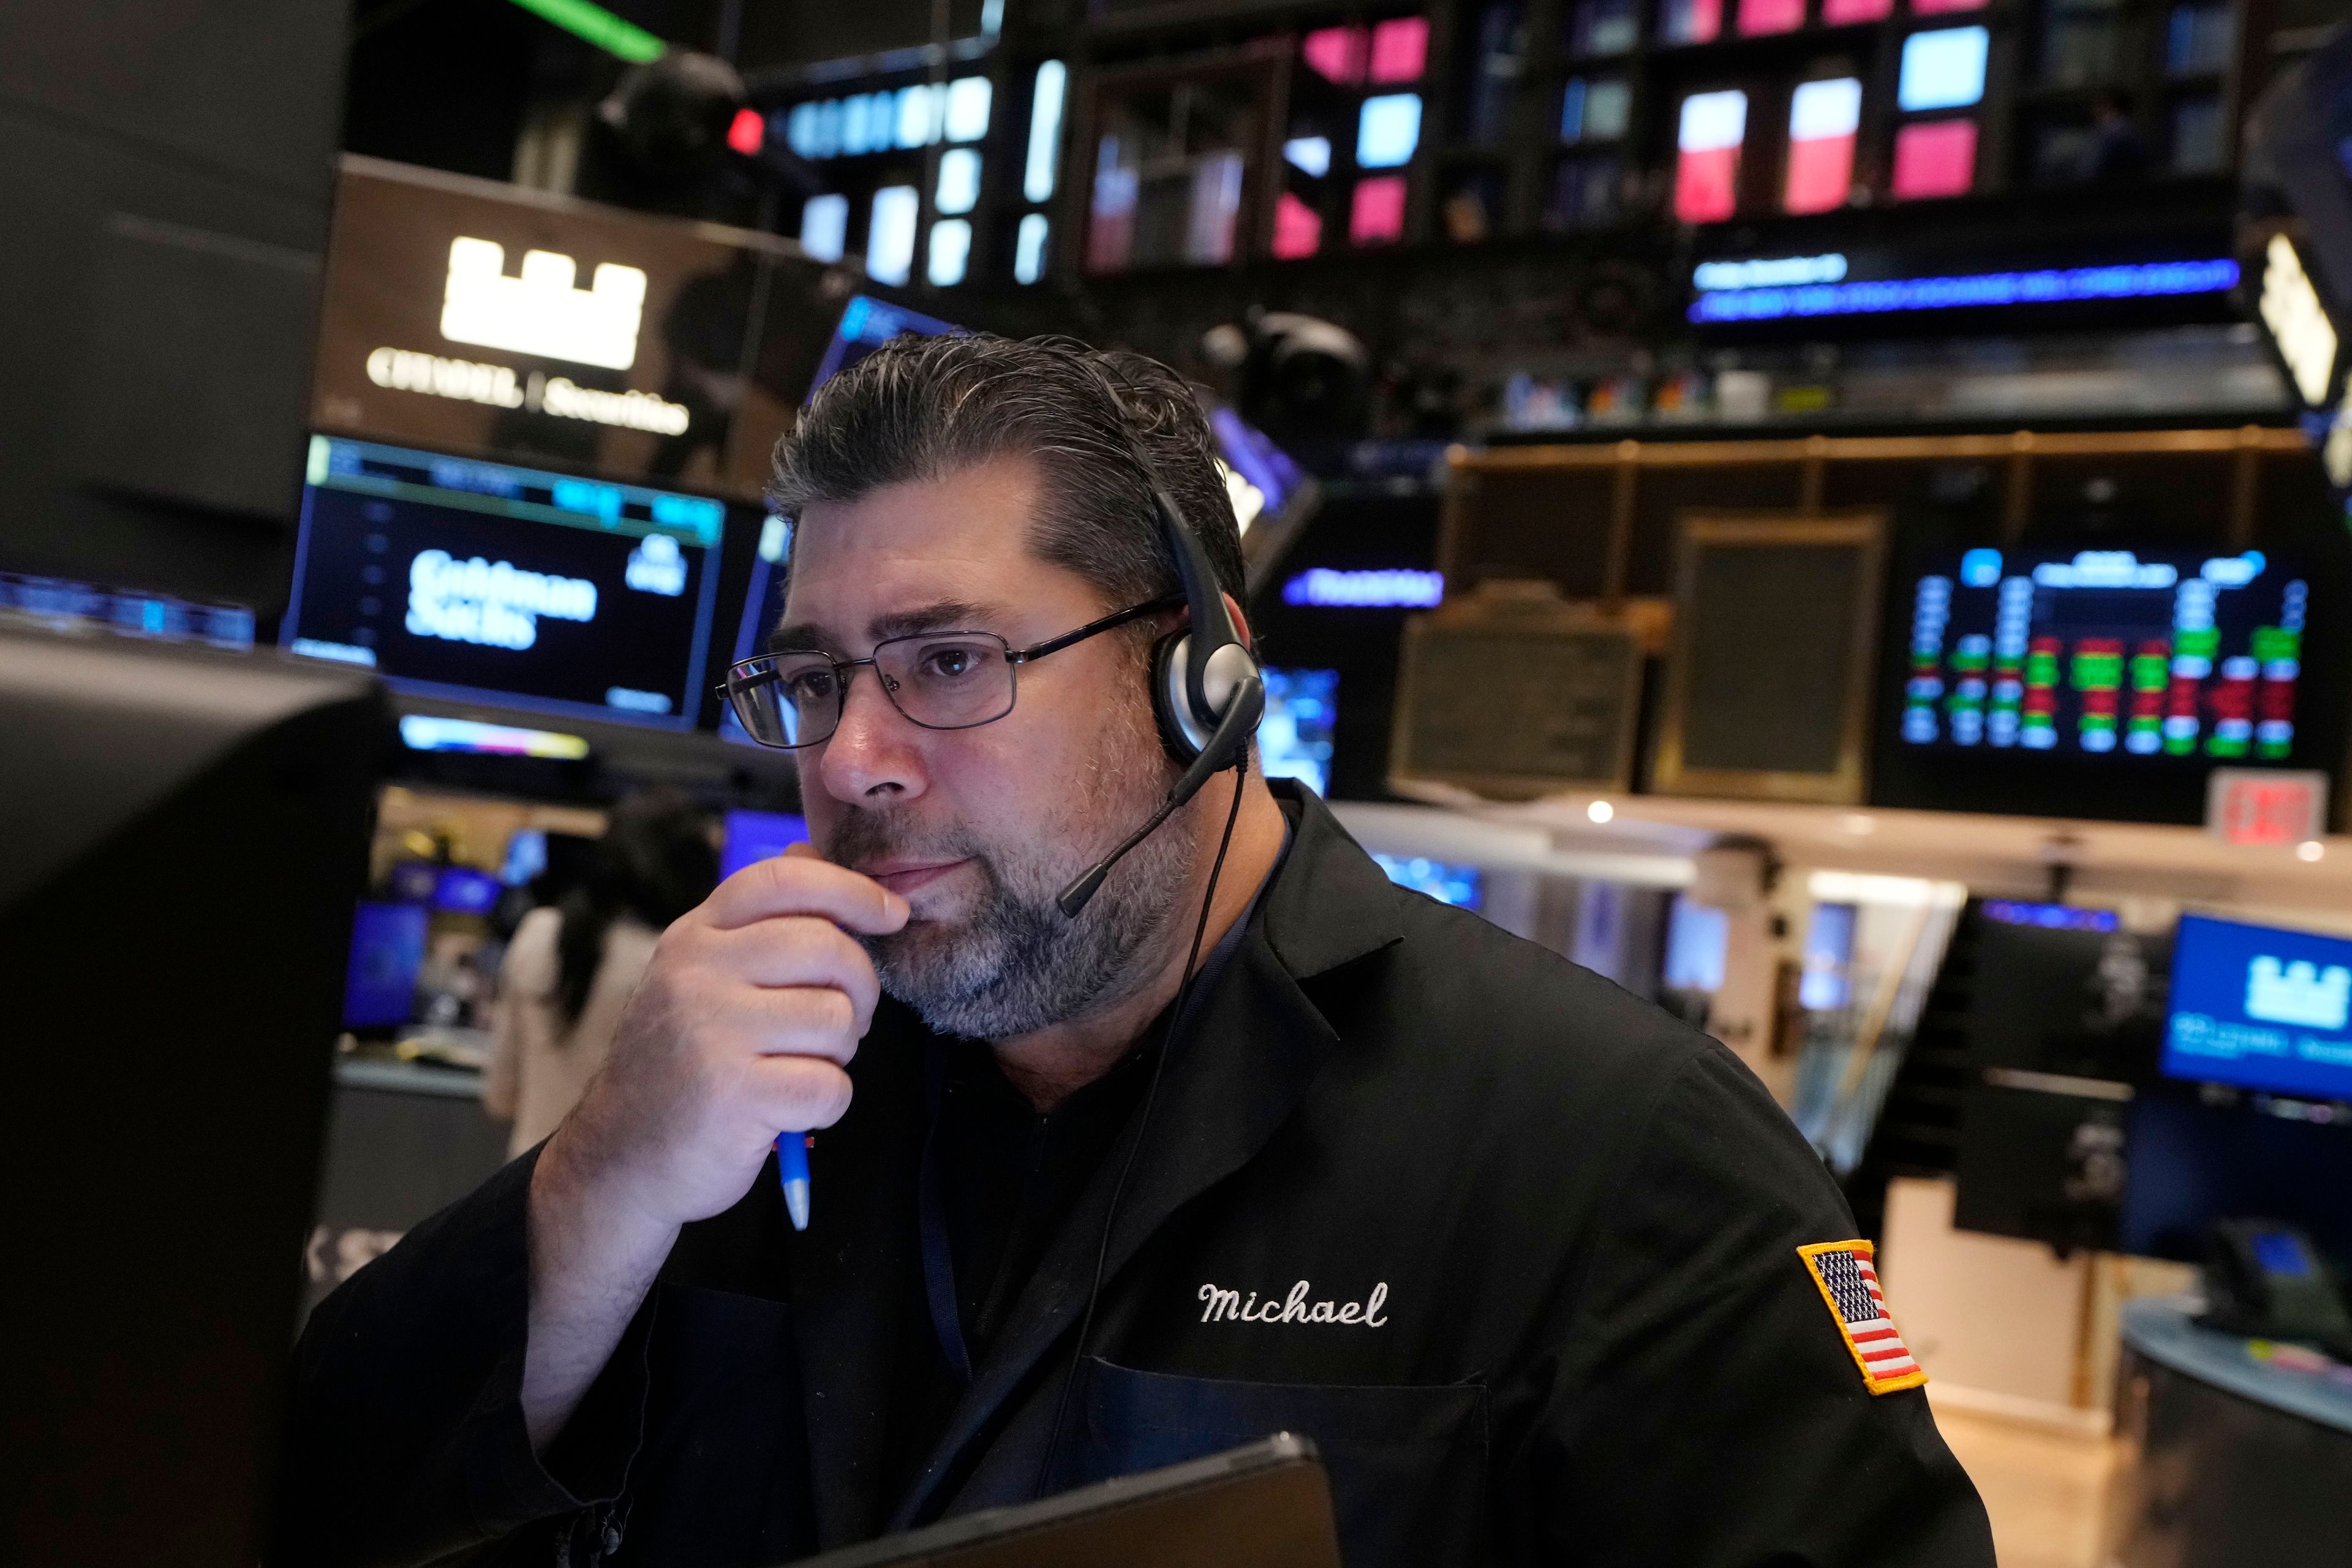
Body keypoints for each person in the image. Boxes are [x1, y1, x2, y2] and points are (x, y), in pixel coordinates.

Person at [276, 335, 1994, 1567]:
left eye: (948, 661)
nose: (853, 755)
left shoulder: (1610, 1144)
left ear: (1202, 681)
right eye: (814, 680)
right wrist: (601, 1174)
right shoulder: (750, 1090)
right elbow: (315, 1491)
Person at [481, 792, 718, 1158]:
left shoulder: (538, 933)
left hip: (526, 1181)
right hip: (628, 1196)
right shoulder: (683, 963)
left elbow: (500, 1096)